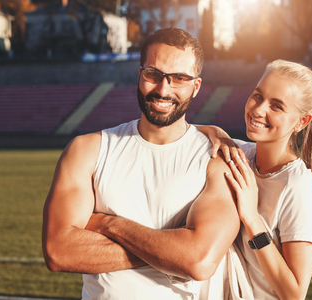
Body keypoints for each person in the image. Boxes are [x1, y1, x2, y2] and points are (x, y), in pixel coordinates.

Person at [42, 27, 248, 300]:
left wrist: (109, 225)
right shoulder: (88, 150)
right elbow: (59, 251)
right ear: (140, 75)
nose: (164, 89)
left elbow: (198, 261)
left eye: (179, 79)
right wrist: (174, 251)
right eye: (154, 74)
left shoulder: (215, 160)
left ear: (196, 87)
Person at [204, 59, 312, 299]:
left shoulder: (297, 186)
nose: (259, 110)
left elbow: (295, 293)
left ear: (302, 122)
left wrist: (252, 219)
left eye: (277, 106)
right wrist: (215, 131)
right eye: (257, 96)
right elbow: (186, 132)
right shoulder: (243, 155)